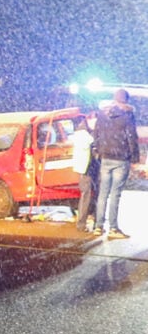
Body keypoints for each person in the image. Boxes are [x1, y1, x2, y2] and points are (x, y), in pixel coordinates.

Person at [92, 89, 140, 238]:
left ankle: (98, 226)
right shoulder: (127, 115)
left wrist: (98, 150)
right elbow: (131, 136)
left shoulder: (102, 114)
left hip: (105, 157)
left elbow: (97, 134)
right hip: (121, 157)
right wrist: (134, 157)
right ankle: (113, 228)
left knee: (103, 193)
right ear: (125, 100)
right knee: (115, 194)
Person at [69, 113, 98, 232]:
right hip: (87, 168)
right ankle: (82, 223)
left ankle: (93, 221)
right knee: (86, 195)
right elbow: (91, 143)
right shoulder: (82, 133)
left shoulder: (82, 132)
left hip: (88, 167)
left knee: (90, 195)